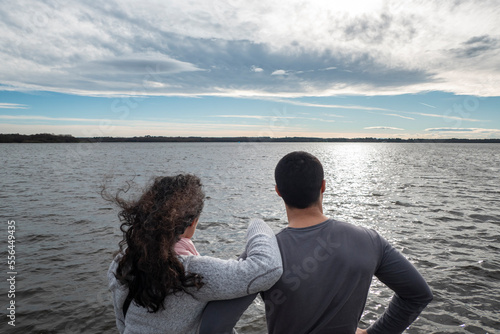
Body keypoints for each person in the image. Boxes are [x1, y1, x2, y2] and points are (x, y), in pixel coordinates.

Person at [200, 151, 433, 334]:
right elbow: (418, 294)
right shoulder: (370, 240)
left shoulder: (263, 255)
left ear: (278, 191)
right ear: (323, 186)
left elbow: (213, 327)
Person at [106, 174, 283, 334]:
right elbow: (267, 268)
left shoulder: (121, 262)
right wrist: (258, 225)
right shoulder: (191, 272)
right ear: (192, 222)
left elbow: (121, 322)